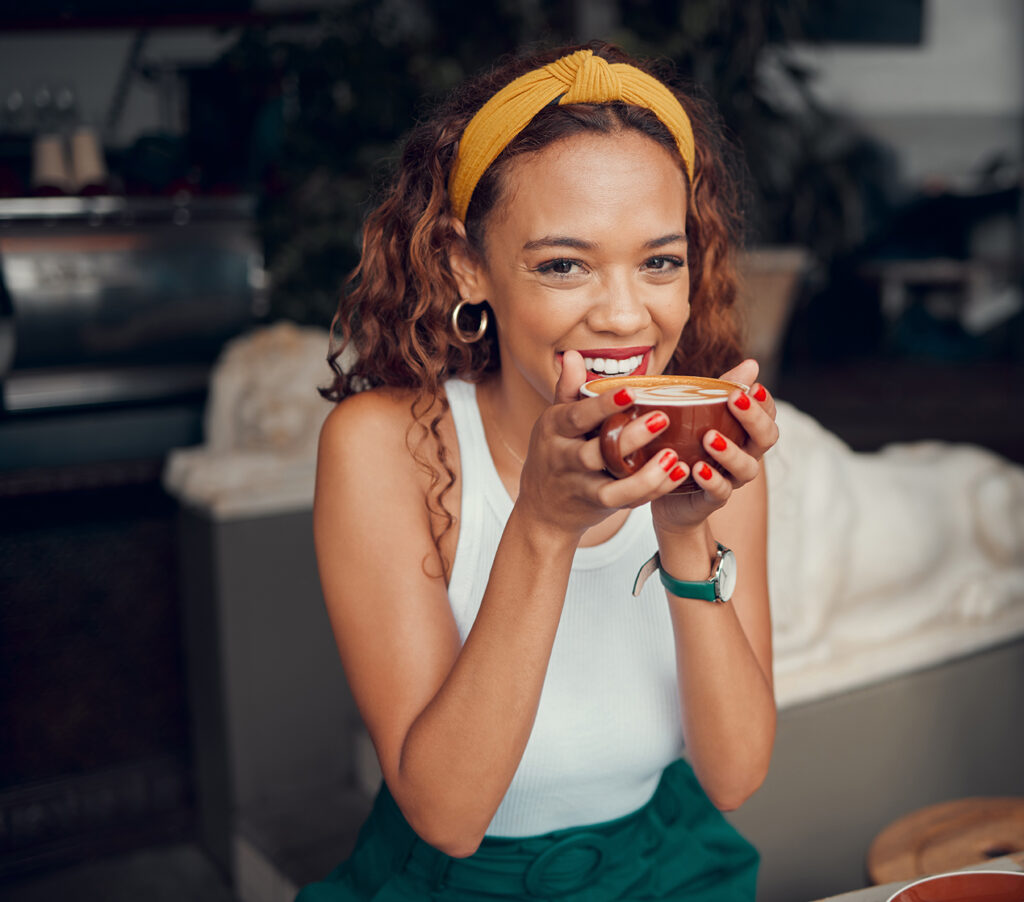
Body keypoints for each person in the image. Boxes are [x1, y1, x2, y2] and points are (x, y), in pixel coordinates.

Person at [301, 40, 778, 902]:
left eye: (659, 261)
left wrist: (683, 531)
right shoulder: (380, 448)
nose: (626, 314)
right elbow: (447, 814)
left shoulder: (714, 455)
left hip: (668, 866)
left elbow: (736, 776)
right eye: (564, 264)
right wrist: (544, 524)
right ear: (465, 265)